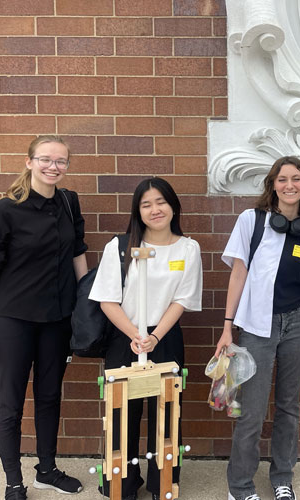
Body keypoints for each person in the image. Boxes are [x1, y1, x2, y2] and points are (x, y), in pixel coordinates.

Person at [217, 156, 300, 500]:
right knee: (252, 408)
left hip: (298, 323)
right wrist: (228, 328)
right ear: (272, 184)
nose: (290, 185)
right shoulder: (251, 221)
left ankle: (282, 478)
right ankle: (240, 487)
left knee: (288, 406)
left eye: (297, 178)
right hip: (258, 324)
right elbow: (238, 273)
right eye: (283, 179)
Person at [0, 136, 88, 500]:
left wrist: (84, 305)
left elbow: (77, 255)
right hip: (14, 320)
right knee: (11, 402)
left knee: (49, 395)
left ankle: (47, 469)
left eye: (61, 161)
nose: (53, 167)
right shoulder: (6, 209)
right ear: (29, 162)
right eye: (45, 160)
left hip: (57, 318)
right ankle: (13, 481)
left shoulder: (69, 202)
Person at [90, 178, 202, 500]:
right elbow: (107, 299)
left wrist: (153, 337)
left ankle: (161, 484)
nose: (155, 210)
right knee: (123, 414)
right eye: (146, 204)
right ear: (137, 211)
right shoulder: (120, 246)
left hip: (164, 338)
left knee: (165, 416)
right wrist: (135, 335)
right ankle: (123, 484)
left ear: (173, 206)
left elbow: (182, 299)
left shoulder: (188, 248)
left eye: (161, 202)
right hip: (125, 337)